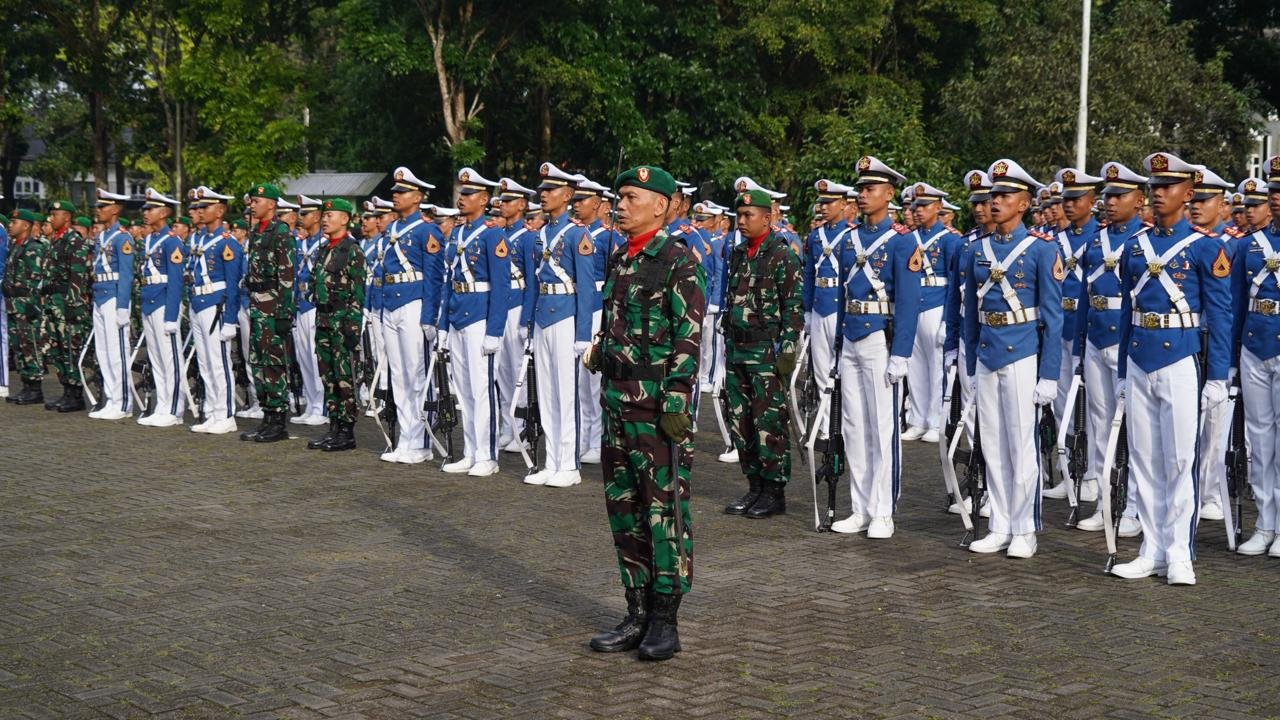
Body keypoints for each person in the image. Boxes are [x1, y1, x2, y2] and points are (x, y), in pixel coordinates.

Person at [586, 164, 703, 662]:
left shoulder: (678, 259)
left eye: (632, 197)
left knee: (663, 513)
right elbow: (616, 324)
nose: (621, 204)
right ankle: (634, 612)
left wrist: (676, 399)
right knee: (625, 513)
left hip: (655, 411)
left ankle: (664, 620)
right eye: (620, 197)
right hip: (617, 405)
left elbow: (689, 333)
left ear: (661, 204)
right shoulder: (620, 258)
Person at [1110, 152, 1232, 586]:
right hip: (1141, 357)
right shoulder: (1135, 246)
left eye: (1167, 187)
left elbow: (1220, 316)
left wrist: (1218, 375)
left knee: (1180, 459)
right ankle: (1152, 549)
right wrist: (1124, 371)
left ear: (1187, 192)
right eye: (1153, 187)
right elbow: (1128, 311)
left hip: (1180, 358)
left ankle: (1180, 552)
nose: (1158, 194)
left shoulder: (1205, 247)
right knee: (1144, 459)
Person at [961, 159, 1064, 559]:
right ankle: (999, 523)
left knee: (1021, 444)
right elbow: (972, 311)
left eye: (1005, 195)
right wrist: (969, 364)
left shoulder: (1041, 250)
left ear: (1024, 203)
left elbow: (1054, 319)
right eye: (993, 195)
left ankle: (1025, 528)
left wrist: (1049, 374)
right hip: (987, 351)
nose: (995, 201)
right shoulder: (977, 249)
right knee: (993, 442)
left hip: (1022, 352)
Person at [828, 156, 922, 537]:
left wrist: (901, 353)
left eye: (871, 189)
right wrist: (836, 345)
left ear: (890, 194)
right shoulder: (849, 239)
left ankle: (883, 509)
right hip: (850, 335)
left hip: (879, 338)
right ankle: (860, 506)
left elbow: (910, 301)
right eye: (861, 189)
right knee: (853, 425)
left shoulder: (902, 241)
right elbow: (840, 295)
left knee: (882, 427)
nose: (863, 195)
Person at [1072, 161, 1148, 538]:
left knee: (1134, 429)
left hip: (1128, 341)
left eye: (1120, 195)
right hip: (1097, 338)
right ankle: (1105, 502)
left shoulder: (1143, 240)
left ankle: (1133, 506)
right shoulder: (1095, 241)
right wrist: (1079, 344)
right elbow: (1087, 296)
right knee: (1099, 425)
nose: (1110, 201)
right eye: (1107, 195)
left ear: (1139, 201)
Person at [720, 188, 803, 518]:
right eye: (738, 216)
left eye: (748, 216)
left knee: (768, 420)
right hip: (738, 348)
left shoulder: (782, 255)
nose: (741, 221)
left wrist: (788, 349)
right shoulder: (739, 253)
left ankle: (774, 491)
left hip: (765, 352)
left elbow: (793, 307)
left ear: (767, 218)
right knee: (740, 421)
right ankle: (754, 485)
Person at [520, 162, 600, 487]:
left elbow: (586, 288)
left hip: (567, 315)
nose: (543, 196)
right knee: (547, 393)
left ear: (567, 195)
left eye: (550, 190)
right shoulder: (541, 235)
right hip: (543, 316)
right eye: (541, 191)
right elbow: (532, 284)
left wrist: (584, 335)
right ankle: (552, 460)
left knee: (568, 394)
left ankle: (569, 463)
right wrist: (528, 327)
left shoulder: (578, 235)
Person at [437, 167, 511, 476]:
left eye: (468, 194)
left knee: (482, 389)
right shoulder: (457, 232)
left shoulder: (494, 234)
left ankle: (487, 455)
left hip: (480, 315)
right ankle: (470, 450)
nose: (461, 198)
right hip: (457, 314)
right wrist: (442, 325)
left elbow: (502, 285)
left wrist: (495, 330)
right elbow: (448, 279)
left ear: (483, 199)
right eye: (460, 193)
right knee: (464, 389)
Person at [1230, 156, 1280, 556]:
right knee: (1260, 440)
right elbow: (1233, 307)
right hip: (1254, 344)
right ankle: (1265, 522)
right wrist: (1230, 360)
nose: (1276, 199)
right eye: (1274, 192)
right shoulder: (1248, 246)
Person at [1044, 167, 1103, 501]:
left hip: (1089, 330)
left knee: (1094, 408)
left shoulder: (1101, 238)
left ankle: (1093, 475)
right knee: (1063, 404)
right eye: (1065, 198)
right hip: (1060, 327)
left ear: (1091, 201)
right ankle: (1070, 473)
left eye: (1075, 198)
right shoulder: (1055, 240)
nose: (1068, 204)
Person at [383, 167, 443, 464]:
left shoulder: (426, 230)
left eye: (402, 192)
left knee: (416, 374)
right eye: (395, 192)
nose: (396, 196)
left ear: (417, 197)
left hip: (414, 304)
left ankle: (421, 440)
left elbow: (434, 277)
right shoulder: (392, 229)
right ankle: (406, 439)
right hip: (391, 303)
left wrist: (430, 317)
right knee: (399, 375)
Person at [902, 181, 961, 443]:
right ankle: (917, 419)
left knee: (938, 368)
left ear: (938, 208)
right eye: (916, 206)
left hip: (937, 305)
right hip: (914, 306)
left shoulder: (950, 240)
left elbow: (954, 283)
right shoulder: (908, 238)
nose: (918, 210)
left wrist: (948, 320)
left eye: (924, 206)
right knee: (915, 367)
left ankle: (937, 421)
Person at [239, 183, 297, 442]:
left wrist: (284, 312)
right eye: (252, 201)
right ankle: (267, 415)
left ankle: (278, 421)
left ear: (271, 205)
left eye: (257, 201)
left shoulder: (280, 232)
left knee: (274, 363)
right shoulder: (256, 232)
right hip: (256, 303)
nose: (252, 204)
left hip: (273, 305)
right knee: (258, 361)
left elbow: (287, 275)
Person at [307, 198, 366, 451]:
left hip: (342, 322)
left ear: (345, 219)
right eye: (324, 215)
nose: (325, 219)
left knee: (344, 377)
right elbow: (314, 280)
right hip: (323, 319)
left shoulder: (352, 250)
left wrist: (353, 327)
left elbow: (358, 292)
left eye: (331, 216)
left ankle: (347, 431)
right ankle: (334, 425)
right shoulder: (323, 249)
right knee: (328, 375)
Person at [186, 186, 243, 434]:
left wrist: (230, 319)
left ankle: (226, 414)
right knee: (205, 362)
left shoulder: (227, 242)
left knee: (219, 362)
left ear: (220, 211)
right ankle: (212, 411)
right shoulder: (199, 239)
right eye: (198, 207)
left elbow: (234, 284)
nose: (199, 211)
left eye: (205, 207)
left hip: (215, 305)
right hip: (198, 303)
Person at [800, 179, 854, 436]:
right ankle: (824, 424)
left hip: (840, 306)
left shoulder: (852, 235)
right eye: (821, 202)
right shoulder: (815, 236)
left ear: (844, 204)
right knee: (821, 369)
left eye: (829, 202)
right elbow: (809, 274)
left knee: (843, 370)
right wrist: (808, 309)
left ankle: (843, 425)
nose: (823, 207)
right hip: (820, 306)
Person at [135, 188, 188, 427]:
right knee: (156, 358)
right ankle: (162, 405)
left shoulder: (172, 241)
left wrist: (171, 314)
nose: (146, 213)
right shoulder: (149, 240)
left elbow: (176, 280)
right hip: (149, 300)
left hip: (164, 302)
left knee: (170, 359)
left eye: (151, 209)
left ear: (164, 212)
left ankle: (175, 409)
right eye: (145, 209)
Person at [495, 178, 537, 452]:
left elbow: (533, 281)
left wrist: (526, 319)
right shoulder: (499, 235)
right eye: (502, 200)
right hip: (501, 307)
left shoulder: (529, 237)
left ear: (521, 205)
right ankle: (506, 426)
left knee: (516, 370)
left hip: (518, 306)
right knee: (502, 372)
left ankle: (521, 428)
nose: (502, 204)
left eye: (508, 200)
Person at [40, 200, 94, 412]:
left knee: (71, 347)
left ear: (67, 218)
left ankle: (76, 394)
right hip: (54, 302)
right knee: (57, 348)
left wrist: (73, 303)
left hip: (67, 303)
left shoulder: (75, 241)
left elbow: (77, 276)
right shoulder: (56, 240)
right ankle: (66, 390)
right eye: (51, 214)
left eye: (56, 214)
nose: (51, 218)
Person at [87, 189, 136, 419]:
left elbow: (126, 274)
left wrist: (123, 306)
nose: (98, 210)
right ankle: (111, 398)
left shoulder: (123, 237)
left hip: (114, 297)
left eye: (103, 206)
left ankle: (123, 403)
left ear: (115, 209)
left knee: (118, 352)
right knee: (104, 351)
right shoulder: (102, 236)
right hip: (100, 295)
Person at [2, 209, 51, 405]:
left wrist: (33, 306)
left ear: (26, 226)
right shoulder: (16, 246)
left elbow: (36, 279)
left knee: (30, 345)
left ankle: (35, 388)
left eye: (15, 222)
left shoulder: (34, 247)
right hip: (14, 304)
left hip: (26, 306)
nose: (10, 225)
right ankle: (26, 385)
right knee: (19, 346)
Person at [290, 194, 329, 426]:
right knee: (303, 357)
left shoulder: (323, 242)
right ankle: (311, 403)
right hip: (301, 304)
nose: (300, 217)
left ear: (317, 216)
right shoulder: (300, 243)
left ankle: (322, 406)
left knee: (317, 359)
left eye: (305, 213)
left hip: (316, 305)